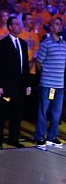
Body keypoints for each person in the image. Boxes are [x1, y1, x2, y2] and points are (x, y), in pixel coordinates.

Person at [0, 15, 30, 149]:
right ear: (10, 27)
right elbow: (0, 67)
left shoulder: (23, 44)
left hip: (19, 87)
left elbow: (25, 66)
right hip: (7, 87)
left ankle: (13, 139)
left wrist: (27, 84)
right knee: (2, 113)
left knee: (17, 113)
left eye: (19, 24)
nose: (19, 26)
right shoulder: (3, 44)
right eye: (16, 24)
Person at [34, 16, 66, 149]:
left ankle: (52, 137)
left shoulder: (64, 44)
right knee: (43, 111)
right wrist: (46, 75)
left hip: (60, 85)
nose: (60, 26)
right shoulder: (46, 43)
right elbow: (38, 63)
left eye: (61, 24)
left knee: (56, 113)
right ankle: (40, 137)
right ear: (51, 27)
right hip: (48, 85)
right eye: (57, 24)